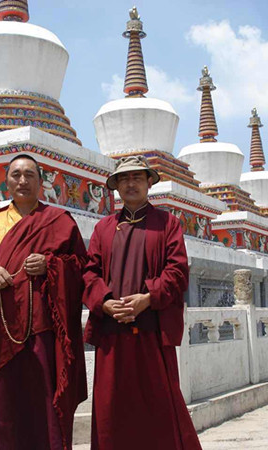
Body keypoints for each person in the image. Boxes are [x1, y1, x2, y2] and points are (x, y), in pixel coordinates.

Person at [83, 155, 202, 450]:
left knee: (159, 409)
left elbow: (177, 271)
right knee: (112, 410)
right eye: (124, 178)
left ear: (149, 182)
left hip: (151, 331)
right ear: (117, 187)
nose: (131, 183)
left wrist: (148, 299)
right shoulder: (103, 229)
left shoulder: (167, 224)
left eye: (137, 177)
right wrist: (106, 303)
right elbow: (89, 273)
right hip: (112, 334)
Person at [0, 154, 87, 450]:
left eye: (29, 175)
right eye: (15, 175)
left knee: (46, 407)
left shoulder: (59, 221)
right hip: (1, 331)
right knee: (5, 407)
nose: (22, 181)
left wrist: (51, 264)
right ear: (6, 181)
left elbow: (81, 268)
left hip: (43, 331)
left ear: (41, 182)